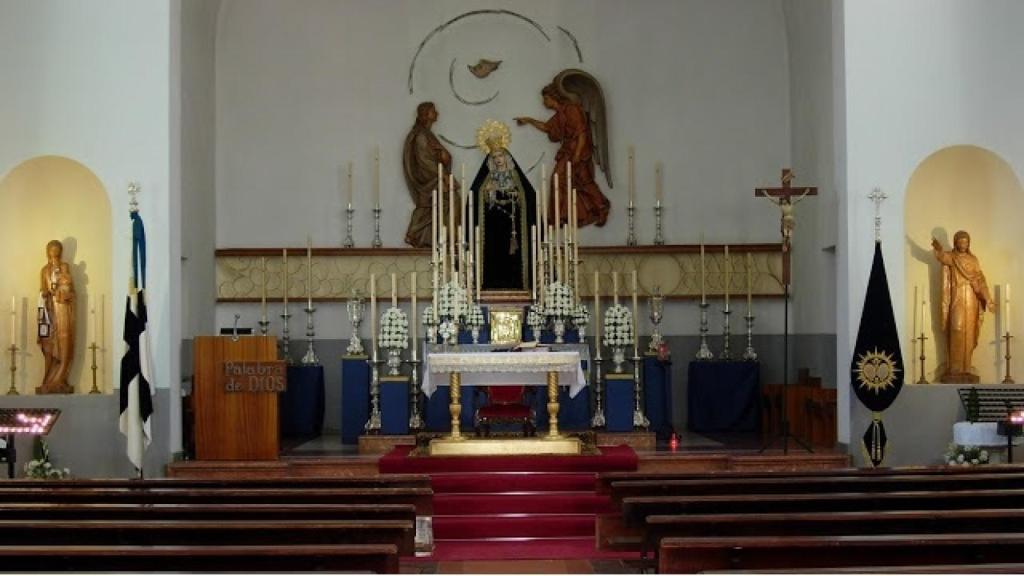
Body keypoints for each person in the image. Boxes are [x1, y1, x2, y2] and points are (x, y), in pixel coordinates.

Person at [515, 74, 611, 228]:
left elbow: (582, 133)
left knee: (577, 182)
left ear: (553, 97)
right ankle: (561, 215)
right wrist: (529, 120)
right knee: (568, 181)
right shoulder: (560, 114)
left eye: (545, 99)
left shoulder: (572, 109)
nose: (544, 102)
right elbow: (548, 128)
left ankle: (599, 208)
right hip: (568, 152)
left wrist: (578, 155)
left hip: (578, 152)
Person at [470, 120, 536, 291]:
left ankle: (518, 284)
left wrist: (516, 195)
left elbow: (528, 196)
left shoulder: (515, 178)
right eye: (494, 157)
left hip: (513, 226)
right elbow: (475, 199)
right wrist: (487, 193)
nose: (498, 160)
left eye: (500, 156)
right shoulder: (487, 179)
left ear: (506, 158)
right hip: (492, 227)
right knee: (493, 255)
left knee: (513, 256)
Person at [931, 231, 995, 383]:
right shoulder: (952, 257)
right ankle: (954, 368)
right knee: (956, 328)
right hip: (958, 298)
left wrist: (988, 299)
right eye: (960, 241)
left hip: (972, 299)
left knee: (969, 332)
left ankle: (966, 367)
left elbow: (980, 279)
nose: (963, 244)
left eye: (965, 242)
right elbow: (942, 257)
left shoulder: (973, 259)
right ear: (955, 242)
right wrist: (938, 248)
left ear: (969, 243)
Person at [403, 102, 459, 248]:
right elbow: (424, 161)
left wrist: (445, 157)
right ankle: (420, 234)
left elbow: (436, 156)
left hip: (435, 177)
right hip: (429, 179)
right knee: (448, 201)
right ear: (426, 114)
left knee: (445, 202)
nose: (437, 113)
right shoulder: (421, 135)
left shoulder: (426, 133)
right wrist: (443, 176)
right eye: (434, 111)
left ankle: (436, 237)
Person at [37, 240, 75, 394]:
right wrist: (46, 293)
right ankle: (49, 379)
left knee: (64, 339)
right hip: (49, 309)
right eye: (51, 249)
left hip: (63, 307)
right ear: (48, 251)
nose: (54, 251)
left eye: (57, 248)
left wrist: (63, 293)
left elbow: (70, 289)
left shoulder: (65, 267)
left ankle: (60, 378)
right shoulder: (44, 270)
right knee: (50, 343)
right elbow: (43, 289)